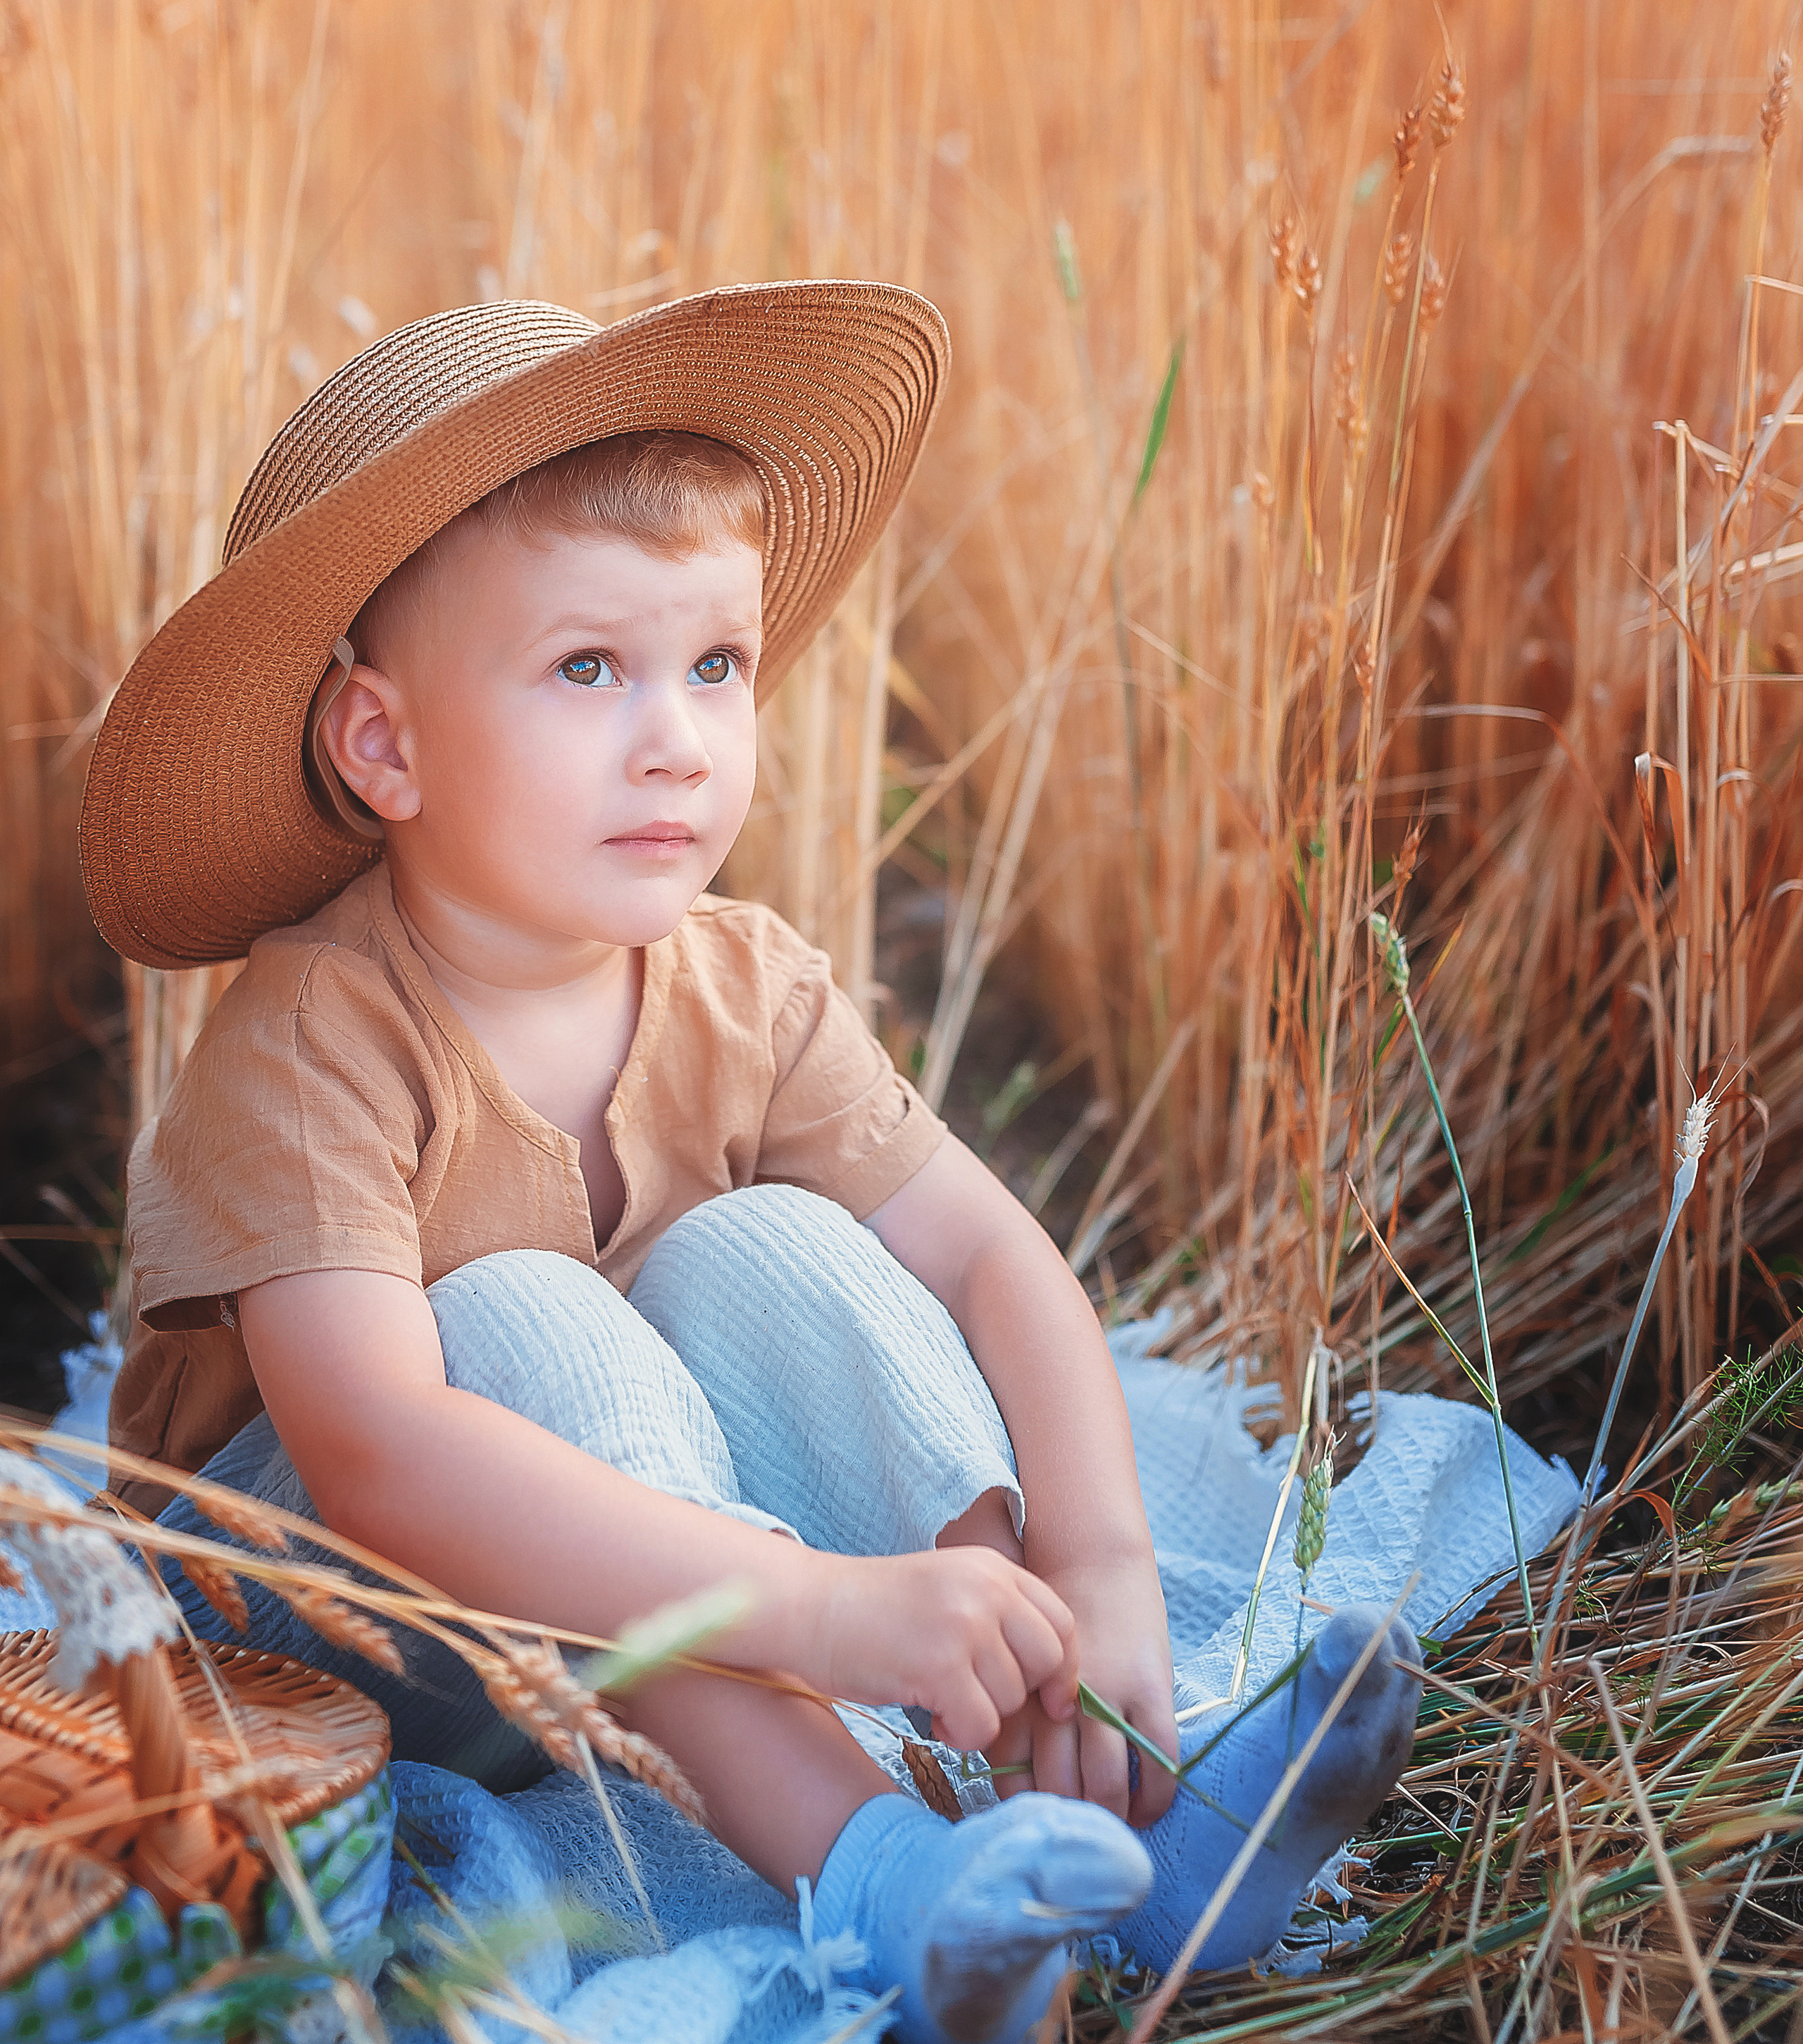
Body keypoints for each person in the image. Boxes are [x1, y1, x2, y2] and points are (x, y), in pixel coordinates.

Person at [85, 284, 1419, 2044]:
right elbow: (380, 1453)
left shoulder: (741, 979)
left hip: (639, 1590)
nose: (679, 737)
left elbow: (987, 1258)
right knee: (528, 1310)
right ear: (384, 742)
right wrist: (816, 1608)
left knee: (775, 1250)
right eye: (590, 669)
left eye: (713, 664)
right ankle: (880, 1882)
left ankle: (1097, 1799)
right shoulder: (311, 1040)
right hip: (317, 1627)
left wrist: (1092, 1563)